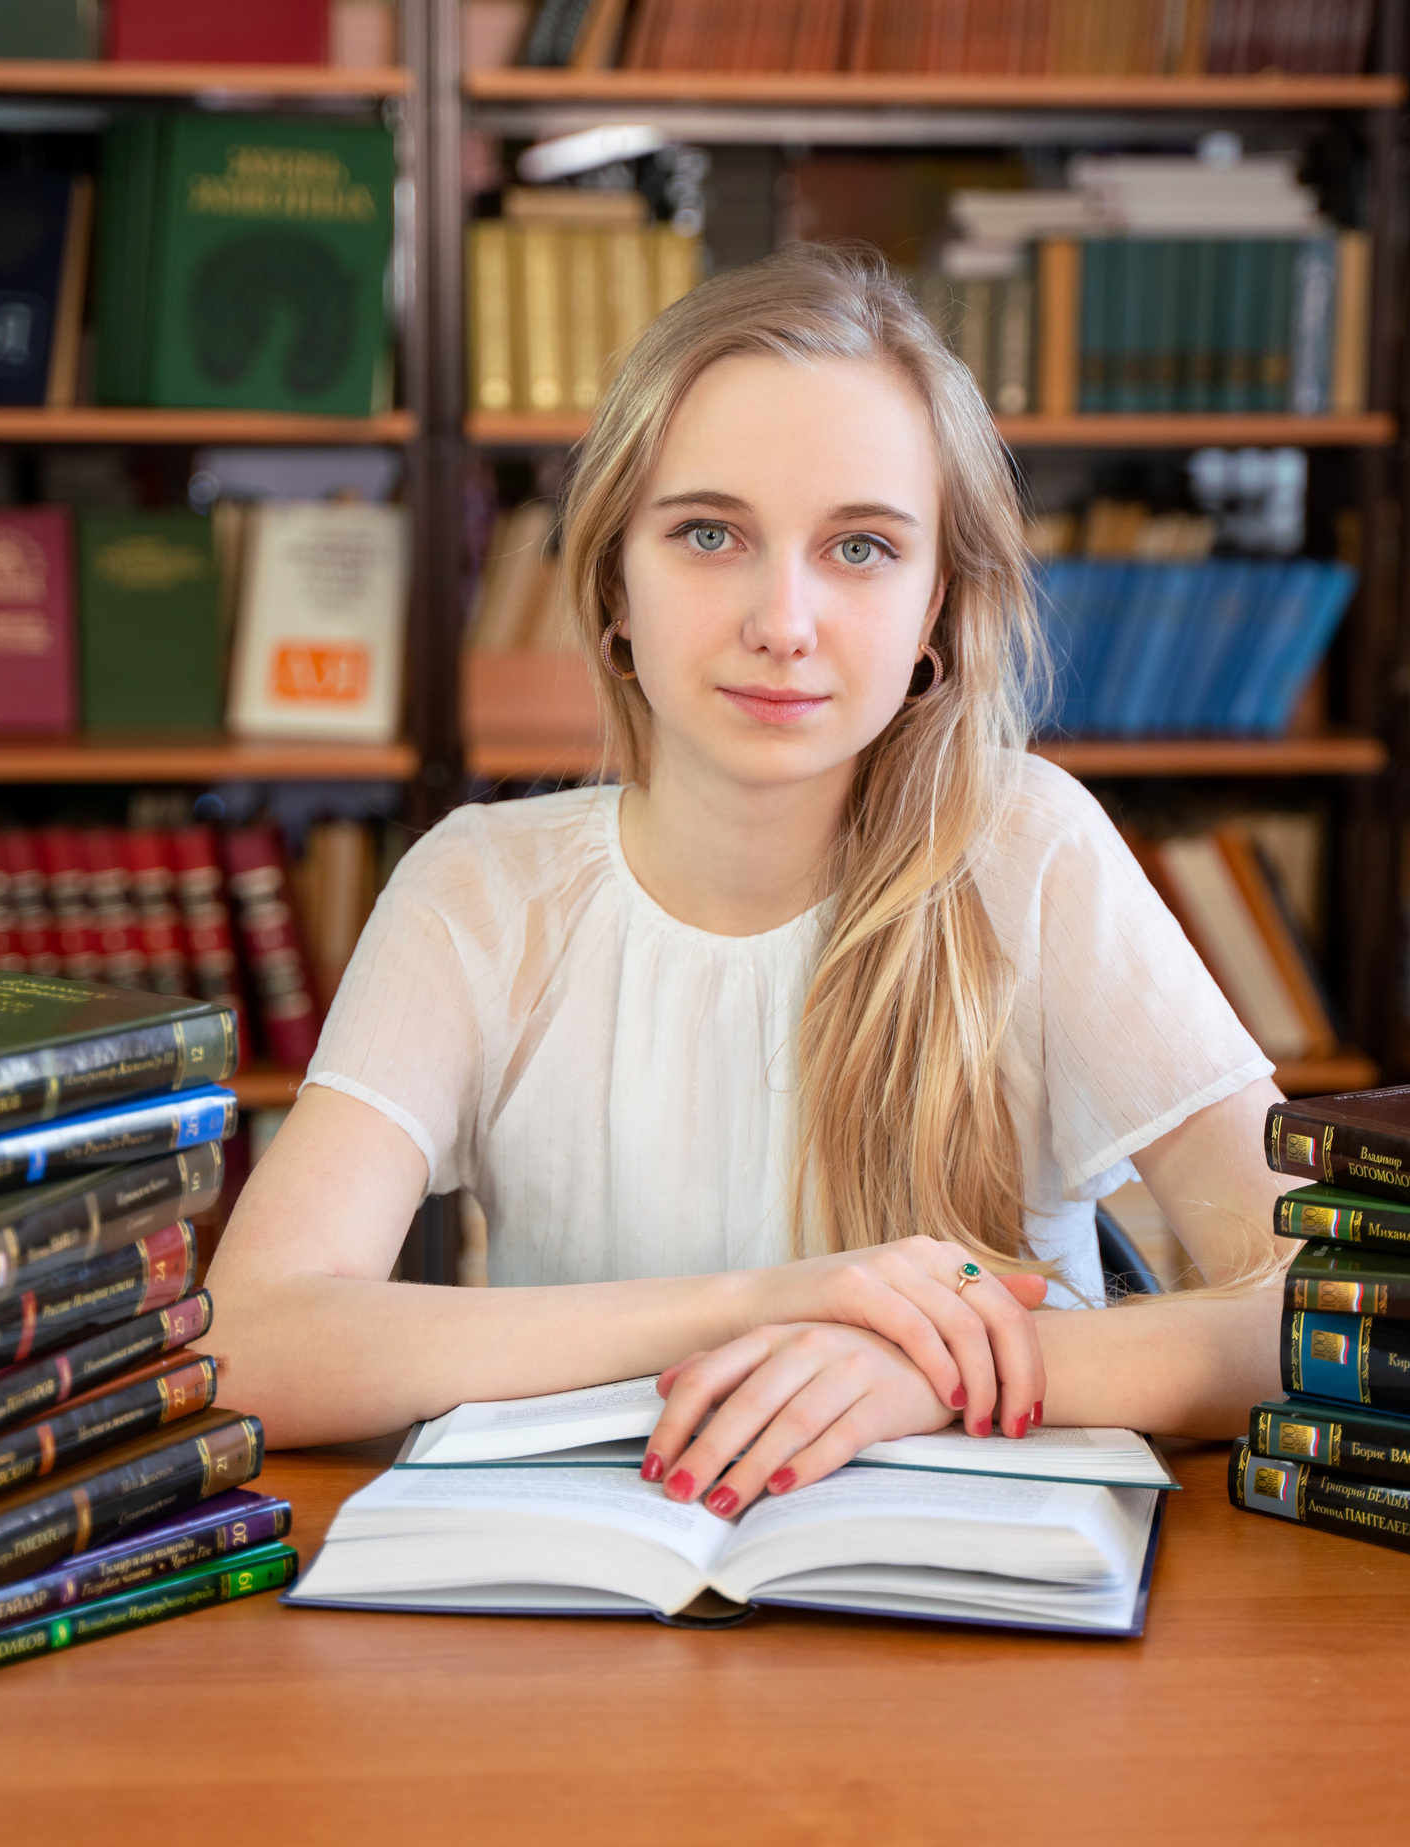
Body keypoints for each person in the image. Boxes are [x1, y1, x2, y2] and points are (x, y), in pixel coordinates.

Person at [209, 243, 1301, 1518]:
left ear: (938, 604)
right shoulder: (480, 891)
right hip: (594, 1609)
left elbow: (1318, 1308)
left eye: (860, 548)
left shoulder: (1028, 851)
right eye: (710, 534)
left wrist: (937, 1373)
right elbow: (251, 1343)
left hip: (971, 1620)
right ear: (615, 581)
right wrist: (765, 1300)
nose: (782, 620)